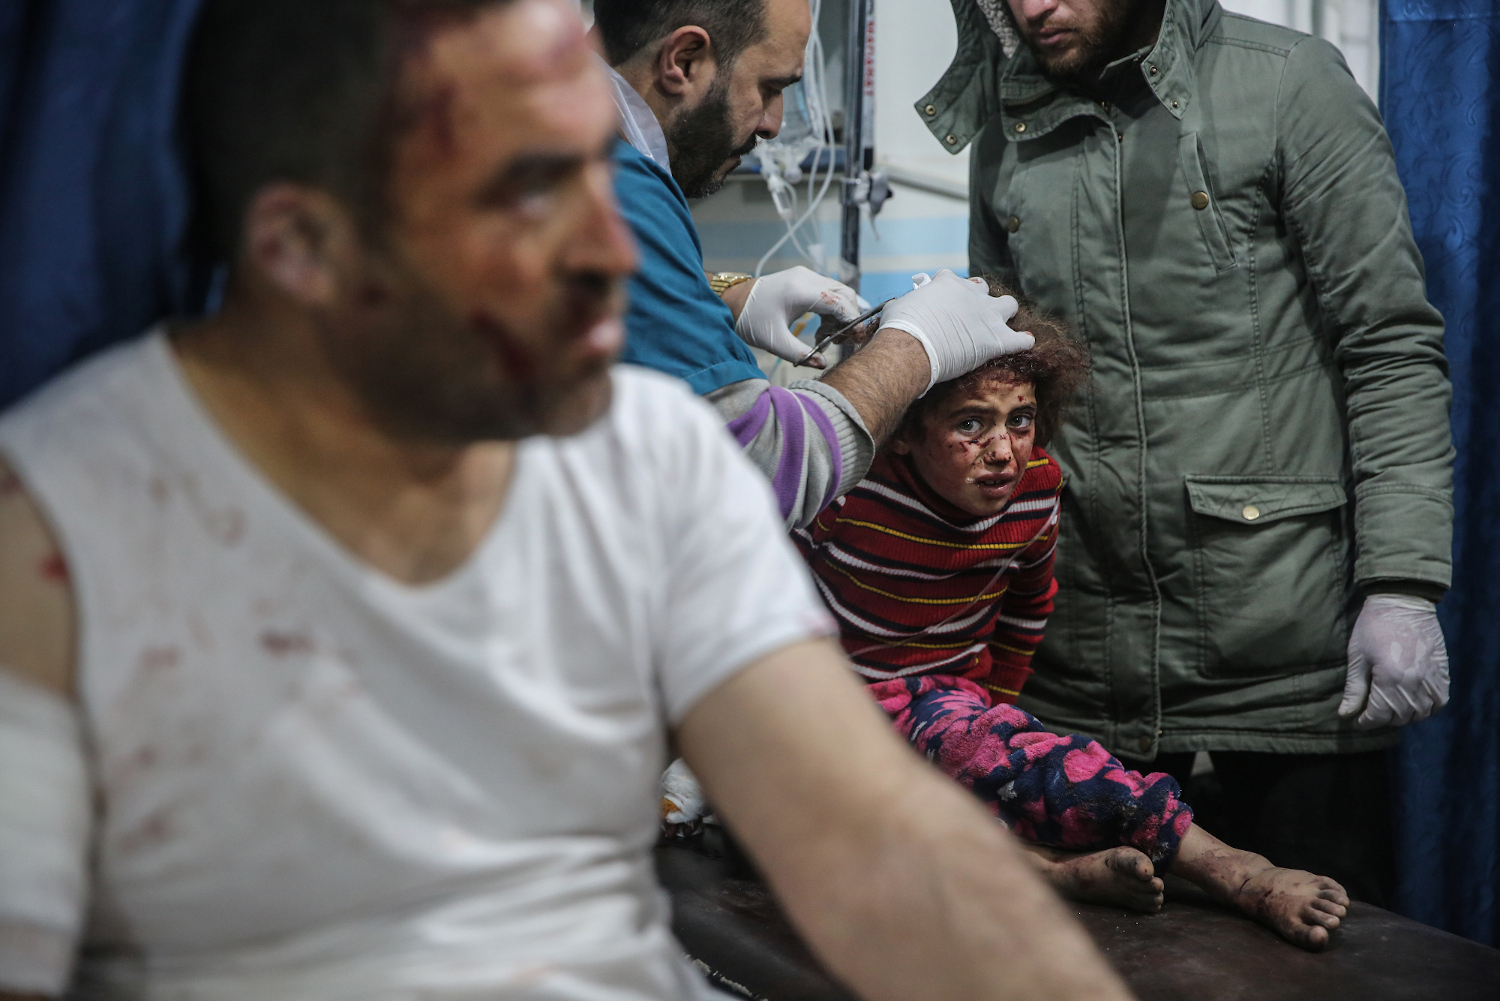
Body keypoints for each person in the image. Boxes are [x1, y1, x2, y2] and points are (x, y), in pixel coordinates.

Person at [0, 1, 1134, 999]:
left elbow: (875, 839)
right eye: (529, 191)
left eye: (606, 178)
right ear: (304, 245)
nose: (609, 253)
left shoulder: (650, 460)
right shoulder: (65, 534)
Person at [913, 0, 1455, 904]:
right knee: (1097, 949)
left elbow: (1389, 344)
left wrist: (1403, 581)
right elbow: (1005, 371)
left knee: (1327, 945)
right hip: (1079, 657)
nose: (1033, 6)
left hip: (1282, 656)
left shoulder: (1286, 85)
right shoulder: (1010, 118)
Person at [792, 281, 1349, 951]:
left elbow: (1028, 607)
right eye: (970, 424)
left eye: (1020, 420)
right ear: (905, 431)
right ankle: (1047, 870)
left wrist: (992, 717)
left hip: (941, 700)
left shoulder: (1035, 492)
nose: (1003, 450)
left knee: (1025, 766)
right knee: (835, 815)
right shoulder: (848, 486)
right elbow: (767, 588)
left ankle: (1238, 871)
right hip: (830, 697)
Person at [590, 0, 1033, 528]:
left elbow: (613, 289)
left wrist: (727, 294)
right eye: (770, 87)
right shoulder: (610, 188)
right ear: (684, 60)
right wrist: (915, 347)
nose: (774, 124)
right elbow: (761, 473)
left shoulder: (549, 142)